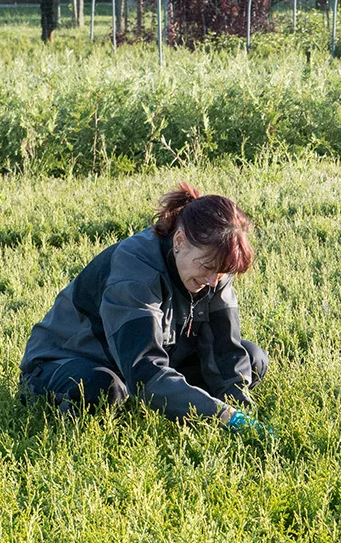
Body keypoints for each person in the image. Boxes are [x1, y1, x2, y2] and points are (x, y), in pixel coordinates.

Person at [20, 183, 272, 435]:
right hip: (69, 361)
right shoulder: (134, 272)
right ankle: (121, 402)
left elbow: (224, 349)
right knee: (103, 388)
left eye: (223, 272)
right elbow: (145, 369)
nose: (213, 281)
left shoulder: (214, 267)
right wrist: (222, 415)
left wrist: (241, 410)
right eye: (207, 267)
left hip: (150, 355)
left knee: (251, 359)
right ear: (180, 241)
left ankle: (154, 398)